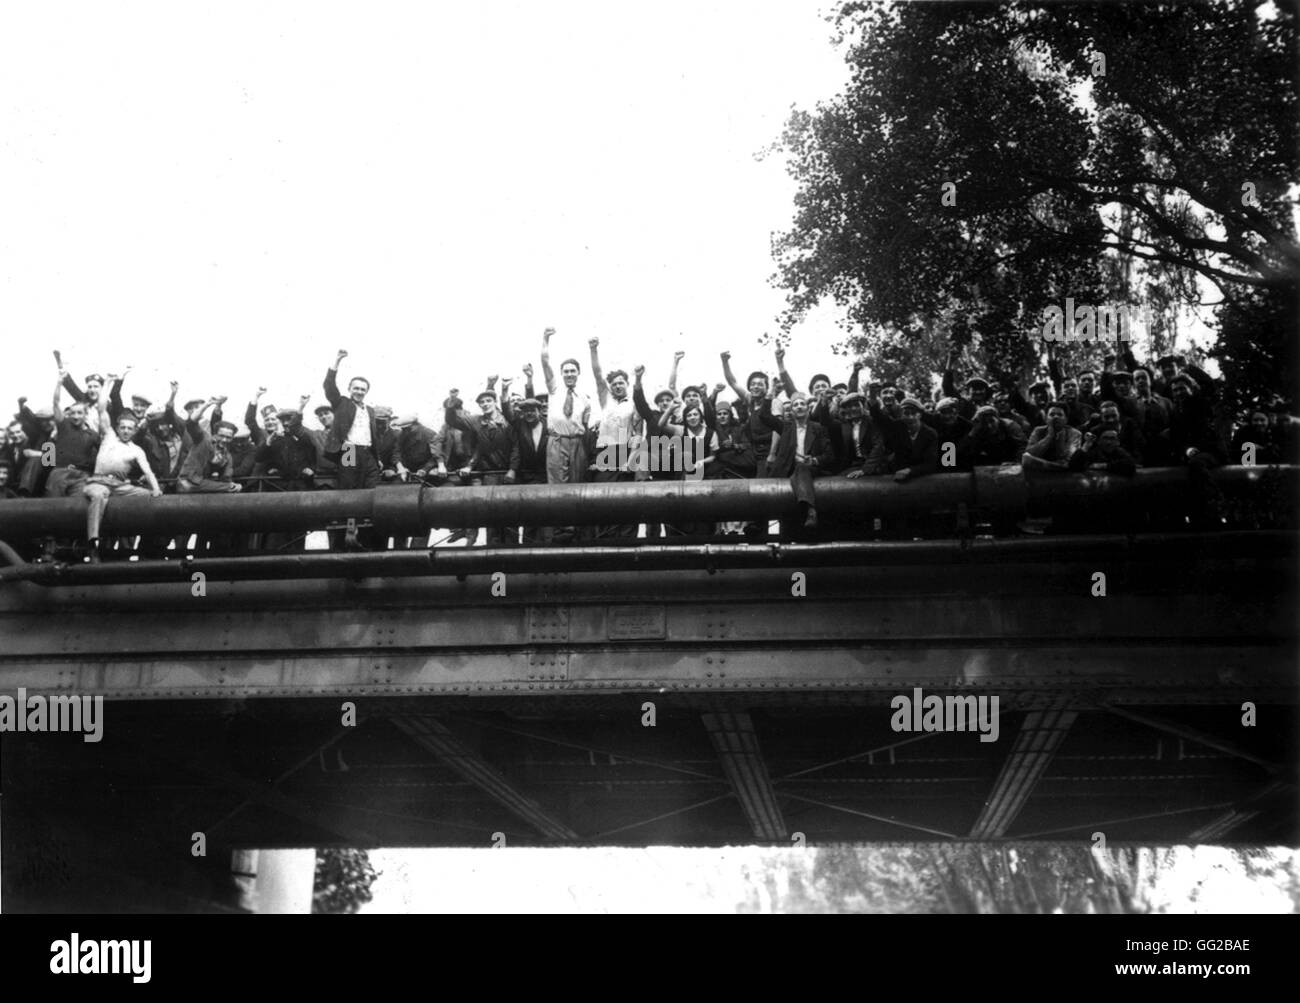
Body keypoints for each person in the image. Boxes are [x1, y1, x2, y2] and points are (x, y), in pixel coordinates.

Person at [81, 398, 163, 562]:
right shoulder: (109, 436)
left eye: (129, 428)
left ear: (134, 431)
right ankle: (92, 543)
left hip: (119, 486)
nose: (126, 431)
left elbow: (148, 471)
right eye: (123, 427)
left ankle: (139, 546)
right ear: (117, 428)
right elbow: (102, 409)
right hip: (98, 482)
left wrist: (156, 489)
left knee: (146, 495)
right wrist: (107, 385)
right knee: (99, 496)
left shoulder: (136, 450)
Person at [323, 349, 382, 549]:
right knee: (348, 488)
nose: (359, 391)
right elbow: (329, 386)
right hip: (349, 450)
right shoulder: (342, 403)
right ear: (350, 389)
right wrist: (337, 360)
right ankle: (347, 532)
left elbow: (372, 435)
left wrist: (376, 457)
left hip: (368, 452)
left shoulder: (370, 410)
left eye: (363, 389)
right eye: (356, 388)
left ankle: (368, 535)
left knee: (373, 489)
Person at [759, 391, 833, 531]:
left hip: (809, 469)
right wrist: (769, 395)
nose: (799, 406)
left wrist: (814, 460)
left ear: (808, 408)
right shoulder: (785, 427)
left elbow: (829, 455)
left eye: (802, 404)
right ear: (792, 410)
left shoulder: (818, 428)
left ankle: (811, 510)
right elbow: (764, 416)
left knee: (802, 468)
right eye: (795, 405)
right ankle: (758, 523)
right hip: (787, 469)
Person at [45, 367, 103, 499]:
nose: (76, 416)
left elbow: (102, 455)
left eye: (79, 413)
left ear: (86, 414)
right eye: (73, 413)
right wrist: (59, 382)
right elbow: (56, 402)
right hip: (60, 472)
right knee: (53, 504)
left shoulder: (93, 434)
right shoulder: (64, 426)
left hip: (81, 475)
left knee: (78, 507)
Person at [504, 396, 551, 543]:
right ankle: (528, 545)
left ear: (539, 411)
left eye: (532, 410)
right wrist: (504, 394)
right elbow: (508, 412)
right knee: (530, 513)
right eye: (526, 411)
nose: (529, 414)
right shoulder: (520, 425)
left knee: (546, 513)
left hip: (546, 475)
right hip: (528, 476)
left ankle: (545, 546)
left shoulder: (549, 424)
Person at [1022, 404, 1083, 472]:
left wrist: (1060, 438)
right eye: (1052, 414)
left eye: (1060, 415)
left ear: (1066, 419)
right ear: (1046, 419)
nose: (1056, 417)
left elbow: (1068, 458)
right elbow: (1030, 452)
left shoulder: (1074, 433)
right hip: (1040, 469)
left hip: (1062, 471)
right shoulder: (1038, 430)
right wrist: (1049, 437)